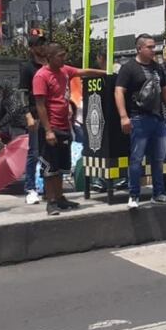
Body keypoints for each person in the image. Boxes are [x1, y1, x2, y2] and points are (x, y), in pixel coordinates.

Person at [33, 43, 107, 216]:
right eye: (59, 56)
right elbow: (40, 105)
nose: (63, 59)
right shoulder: (41, 76)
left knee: (61, 166)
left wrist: (106, 73)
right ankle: (51, 201)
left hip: (65, 126)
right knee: (50, 168)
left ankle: (60, 198)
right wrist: (48, 130)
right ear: (49, 57)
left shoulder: (65, 71)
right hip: (50, 128)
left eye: (63, 55)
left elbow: (84, 72)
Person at [114, 34, 166, 209]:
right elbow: (119, 91)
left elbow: (165, 91)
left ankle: (158, 193)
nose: (153, 50)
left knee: (158, 159)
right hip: (139, 118)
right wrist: (123, 117)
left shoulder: (158, 68)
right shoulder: (128, 68)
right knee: (136, 158)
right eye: (150, 47)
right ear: (139, 48)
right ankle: (134, 195)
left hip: (158, 120)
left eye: (154, 47)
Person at [18, 36, 48, 204]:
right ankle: (30, 188)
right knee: (34, 152)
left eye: (44, 43)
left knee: (49, 153)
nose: (43, 47)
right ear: (32, 48)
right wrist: (28, 115)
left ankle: (47, 185)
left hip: (52, 115)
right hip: (35, 114)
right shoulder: (28, 68)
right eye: (39, 44)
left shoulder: (50, 66)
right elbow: (22, 93)